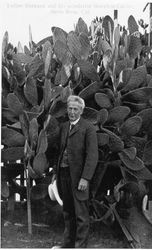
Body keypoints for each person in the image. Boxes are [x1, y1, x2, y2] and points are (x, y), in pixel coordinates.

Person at [52, 95, 98, 248]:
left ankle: (80, 246)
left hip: (79, 178)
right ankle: (67, 244)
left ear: (81, 111)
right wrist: (55, 174)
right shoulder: (64, 127)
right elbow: (59, 151)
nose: (72, 112)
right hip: (64, 174)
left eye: (75, 109)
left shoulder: (88, 128)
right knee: (68, 212)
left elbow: (92, 156)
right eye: (70, 109)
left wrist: (85, 178)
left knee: (81, 215)